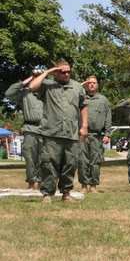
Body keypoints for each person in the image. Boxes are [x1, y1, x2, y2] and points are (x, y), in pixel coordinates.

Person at [28, 60, 88, 203]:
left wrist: (84, 126)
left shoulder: (77, 87)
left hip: (71, 133)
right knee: (48, 164)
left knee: (70, 164)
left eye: (68, 72)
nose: (67, 74)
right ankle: (47, 194)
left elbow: (83, 106)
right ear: (56, 72)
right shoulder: (47, 84)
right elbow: (32, 86)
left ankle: (66, 193)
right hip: (51, 133)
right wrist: (47, 72)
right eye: (63, 72)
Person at [5, 72, 44, 189]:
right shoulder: (25, 93)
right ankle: (31, 183)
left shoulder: (48, 92)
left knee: (44, 157)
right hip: (30, 128)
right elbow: (9, 93)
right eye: (35, 78)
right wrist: (25, 82)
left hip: (45, 129)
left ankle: (43, 183)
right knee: (30, 156)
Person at [78, 75, 112, 193]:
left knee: (95, 161)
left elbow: (108, 117)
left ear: (97, 85)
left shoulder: (103, 100)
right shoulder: (80, 98)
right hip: (82, 135)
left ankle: (93, 186)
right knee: (82, 160)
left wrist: (107, 134)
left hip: (97, 135)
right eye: (89, 83)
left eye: (94, 83)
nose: (91, 84)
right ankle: (83, 185)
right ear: (86, 85)